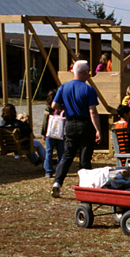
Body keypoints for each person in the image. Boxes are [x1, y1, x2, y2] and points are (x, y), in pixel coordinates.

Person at [50, 60, 101, 198]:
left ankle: (57, 183)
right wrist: (98, 129)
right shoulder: (88, 89)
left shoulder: (64, 87)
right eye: (88, 72)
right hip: (84, 124)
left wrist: (65, 109)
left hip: (70, 123)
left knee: (67, 155)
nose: (89, 75)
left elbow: (54, 105)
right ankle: (86, 186)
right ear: (83, 73)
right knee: (85, 157)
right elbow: (93, 112)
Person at [41, 89, 65, 178]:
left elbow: (45, 121)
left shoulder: (48, 108)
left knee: (49, 152)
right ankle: (60, 170)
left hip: (50, 132)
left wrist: (43, 132)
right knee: (61, 152)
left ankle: (48, 171)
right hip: (61, 133)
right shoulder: (63, 107)